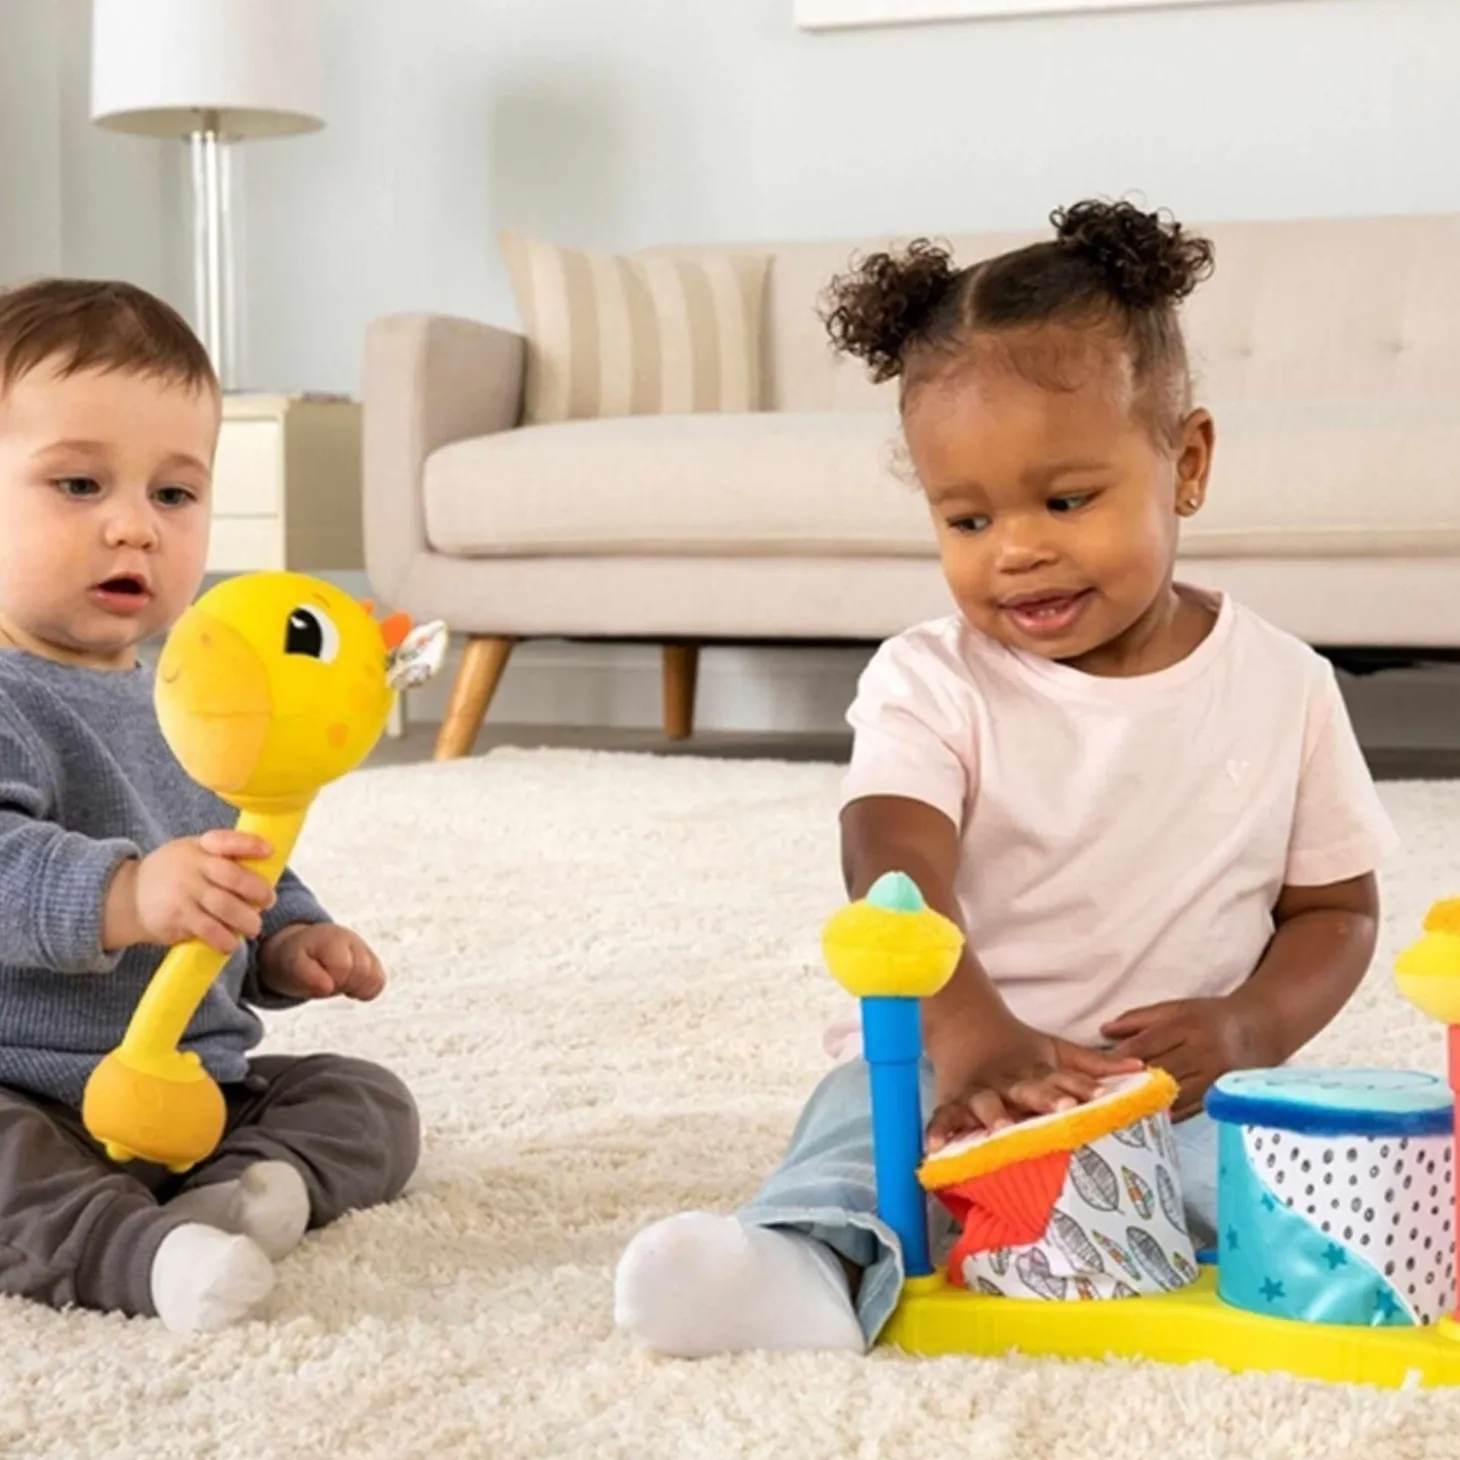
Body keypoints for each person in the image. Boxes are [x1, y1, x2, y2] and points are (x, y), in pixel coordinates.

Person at [613, 200, 1397, 1356]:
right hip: (952, 1068)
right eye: (967, 517)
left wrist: (1245, 1025)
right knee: (864, 1132)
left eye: (1064, 500)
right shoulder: (930, 679)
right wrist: (970, 1031)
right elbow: (889, 857)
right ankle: (797, 1266)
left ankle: (1122, 1240)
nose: (1015, 548)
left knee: (1286, 1172)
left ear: (1184, 463)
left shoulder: (1284, 683)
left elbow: (1334, 911)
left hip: (1165, 1093)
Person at [0, 278, 418, 1333]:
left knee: (366, 1098)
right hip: (27, 1088)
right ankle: (139, 1257)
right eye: (80, 484)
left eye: (175, 495)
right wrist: (129, 895)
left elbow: (245, 842)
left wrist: (288, 936)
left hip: (193, 1086)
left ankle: (248, 1186)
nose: (134, 528)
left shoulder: (194, 698)